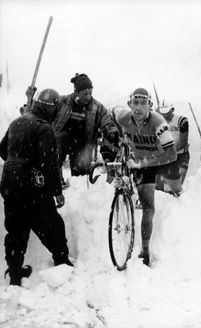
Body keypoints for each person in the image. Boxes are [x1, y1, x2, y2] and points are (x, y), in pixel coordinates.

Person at [0, 89, 73, 286]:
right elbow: (48, 165)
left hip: (9, 182)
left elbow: (2, 149)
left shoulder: (17, 121)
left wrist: (17, 161)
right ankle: (62, 261)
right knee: (51, 224)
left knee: (16, 229)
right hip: (31, 186)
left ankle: (15, 273)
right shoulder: (44, 128)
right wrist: (57, 191)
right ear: (52, 109)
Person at [115, 88, 181, 266]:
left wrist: (143, 162)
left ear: (150, 106)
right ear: (130, 105)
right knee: (148, 207)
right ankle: (145, 251)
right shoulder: (123, 118)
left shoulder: (158, 122)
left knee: (177, 191)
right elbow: (113, 112)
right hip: (142, 164)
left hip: (164, 160)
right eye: (135, 103)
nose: (138, 108)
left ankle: (180, 200)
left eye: (143, 103)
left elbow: (172, 154)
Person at [53, 73, 119, 185]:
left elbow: (106, 121)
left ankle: (78, 192)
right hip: (62, 140)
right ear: (76, 92)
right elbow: (46, 113)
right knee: (57, 149)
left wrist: (112, 131)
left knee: (81, 177)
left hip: (82, 144)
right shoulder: (62, 102)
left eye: (90, 93)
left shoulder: (97, 107)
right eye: (85, 93)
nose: (88, 96)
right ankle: (55, 178)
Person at [157, 104, 190, 187]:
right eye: (162, 112)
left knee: (177, 186)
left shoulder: (182, 120)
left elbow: (183, 141)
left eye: (167, 112)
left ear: (172, 110)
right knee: (161, 186)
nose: (164, 115)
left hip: (181, 156)